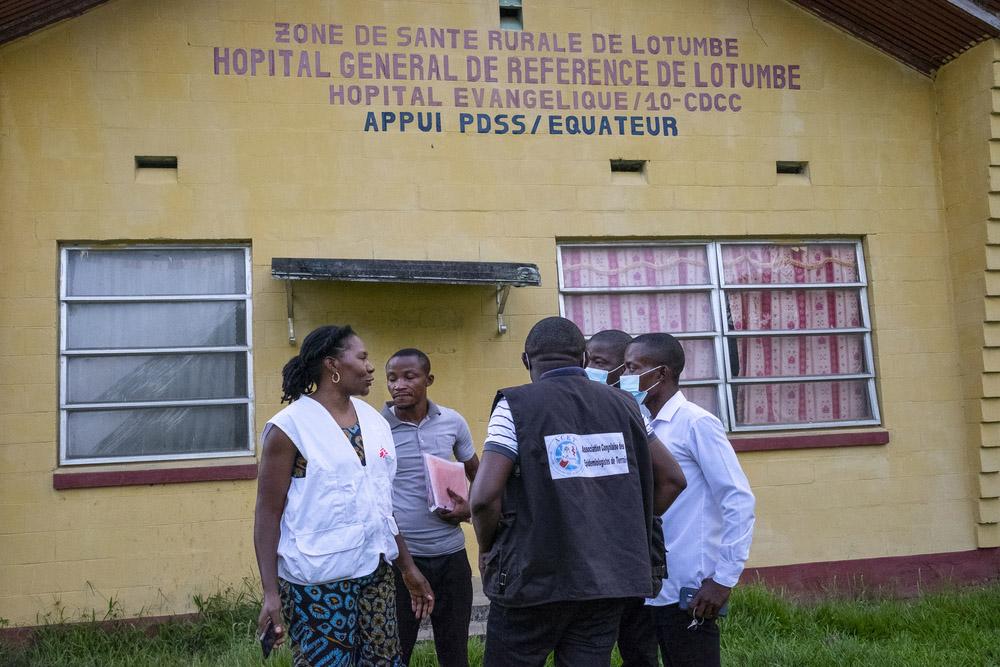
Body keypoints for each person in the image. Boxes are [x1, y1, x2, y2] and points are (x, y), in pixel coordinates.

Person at [470, 316, 687, 667]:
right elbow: (673, 479)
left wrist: (487, 548)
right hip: (605, 580)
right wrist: (628, 529)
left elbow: (482, 498)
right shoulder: (629, 405)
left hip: (531, 578)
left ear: (526, 361)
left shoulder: (514, 406)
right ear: (584, 359)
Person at [254, 325, 435, 667]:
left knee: (386, 662)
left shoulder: (375, 422)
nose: (370, 367)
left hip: (374, 574)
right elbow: (267, 514)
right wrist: (270, 593)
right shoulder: (289, 428)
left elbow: (382, 506)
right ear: (332, 365)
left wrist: (407, 567)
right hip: (316, 581)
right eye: (363, 357)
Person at [622, 333, 756, 667]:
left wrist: (723, 579)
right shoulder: (643, 423)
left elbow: (737, 499)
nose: (624, 375)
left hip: (689, 589)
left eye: (632, 367)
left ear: (661, 374)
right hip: (647, 586)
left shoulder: (697, 423)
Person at [381, 348, 479, 667]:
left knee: (454, 654)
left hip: (451, 557)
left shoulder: (452, 421)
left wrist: (471, 509)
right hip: (402, 561)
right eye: (392, 378)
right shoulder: (376, 429)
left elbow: (478, 474)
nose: (399, 385)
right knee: (397, 653)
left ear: (428, 379)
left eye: (409, 377)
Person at [585, 329, 661, 667]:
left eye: (600, 363)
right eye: (587, 360)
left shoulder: (634, 413)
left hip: (632, 554)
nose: (589, 369)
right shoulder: (583, 408)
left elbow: (671, 481)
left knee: (638, 645)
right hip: (592, 555)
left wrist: (634, 523)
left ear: (623, 370)